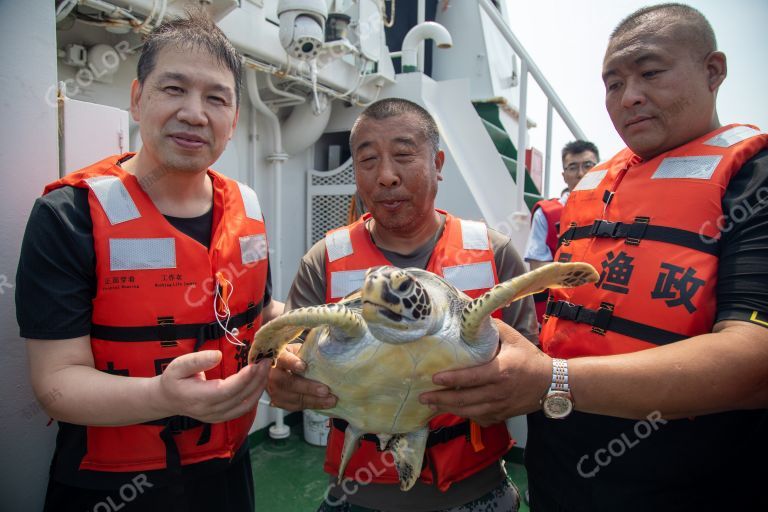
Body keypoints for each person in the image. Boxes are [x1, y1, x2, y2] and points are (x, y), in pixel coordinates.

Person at [420, 4, 768, 510]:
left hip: (688, 485)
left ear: (713, 71)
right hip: (560, 475)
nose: (630, 97)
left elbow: (755, 362)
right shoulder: (593, 189)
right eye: (612, 84)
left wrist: (550, 379)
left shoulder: (753, 182)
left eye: (650, 73)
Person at [16, 12, 282, 511]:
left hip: (228, 472)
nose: (195, 114)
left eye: (216, 98)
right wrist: (166, 396)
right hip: (107, 488)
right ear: (138, 99)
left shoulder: (247, 208)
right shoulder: (68, 216)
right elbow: (55, 383)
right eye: (174, 89)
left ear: (235, 120)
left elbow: (259, 313)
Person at [268, 98, 537, 511]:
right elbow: (285, 360)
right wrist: (282, 379)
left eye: (404, 155)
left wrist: (518, 388)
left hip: (477, 487)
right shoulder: (325, 258)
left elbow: (534, 369)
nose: (387, 177)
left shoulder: (494, 252)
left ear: (438, 163)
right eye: (368, 160)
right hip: (359, 493)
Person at [524, 140, 600, 325]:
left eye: (588, 165)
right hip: (561, 312)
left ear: (600, 169)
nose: (581, 173)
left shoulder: (616, 208)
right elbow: (537, 268)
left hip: (601, 307)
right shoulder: (547, 213)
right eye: (573, 167)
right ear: (564, 175)